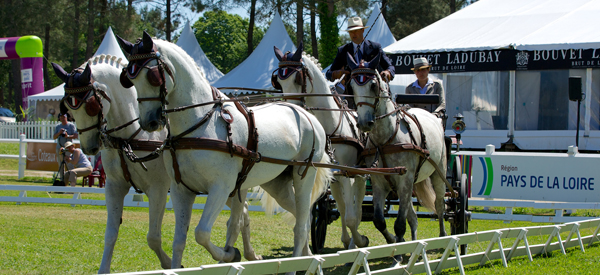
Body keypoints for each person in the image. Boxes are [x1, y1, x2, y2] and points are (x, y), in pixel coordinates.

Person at [325, 16, 395, 85]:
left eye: (356, 31)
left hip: (373, 90)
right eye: (350, 32)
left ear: (363, 30)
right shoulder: (343, 50)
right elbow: (328, 73)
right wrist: (334, 74)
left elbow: (390, 67)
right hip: (350, 93)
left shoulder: (375, 48)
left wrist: (387, 73)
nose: (353, 34)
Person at [53, 113, 78, 182]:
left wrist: (68, 136)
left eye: (63, 117)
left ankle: (71, 179)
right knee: (61, 165)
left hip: (68, 149)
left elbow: (76, 136)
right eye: (61, 117)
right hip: (60, 147)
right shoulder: (58, 126)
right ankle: (62, 180)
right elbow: (54, 137)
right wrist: (59, 133)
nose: (62, 119)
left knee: (69, 164)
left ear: (66, 117)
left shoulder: (71, 125)